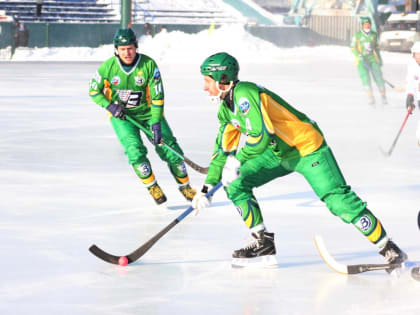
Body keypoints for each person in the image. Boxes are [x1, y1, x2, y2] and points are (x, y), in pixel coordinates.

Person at [191, 52, 407, 270]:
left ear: (222, 79)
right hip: (278, 154)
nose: (204, 87)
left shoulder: (245, 94)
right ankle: (262, 241)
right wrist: (206, 187)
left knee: (338, 201)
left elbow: (260, 135)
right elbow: (221, 152)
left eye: (207, 81)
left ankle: (387, 247)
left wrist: (237, 161)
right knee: (236, 185)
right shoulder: (225, 111)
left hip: (307, 148)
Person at [88, 28, 196, 205]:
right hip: (122, 118)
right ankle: (152, 186)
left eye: (130, 48)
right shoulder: (108, 67)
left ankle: (185, 186)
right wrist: (109, 106)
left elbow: (157, 96)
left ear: (136, 47)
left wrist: (155, 122)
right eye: (122, 49)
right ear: (116, 49)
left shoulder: (148, 65)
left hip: (148, 113)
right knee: (134, 151)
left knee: (169, 148)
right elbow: (93, 90)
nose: (127, 53)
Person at [351, 16, 387, 106]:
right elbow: (352, 47)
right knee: (366, 79)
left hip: (372, 59)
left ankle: (383, 96)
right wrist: (358, 55)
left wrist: (380, 59)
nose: (367, 26)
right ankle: (370, 97)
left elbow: (377, 48)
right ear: (362, 25)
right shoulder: (357, 35)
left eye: (369, 24)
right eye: (365, 24)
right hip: (361, 60)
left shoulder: (374, 35)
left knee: (379, 77)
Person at [405, 41, 420, 146]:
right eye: (416, 54)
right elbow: (410, 82)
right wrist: (410, 97)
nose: (418, 57)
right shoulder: (412, 66)